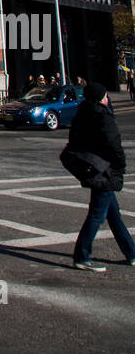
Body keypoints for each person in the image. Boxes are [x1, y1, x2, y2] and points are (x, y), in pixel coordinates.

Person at [68, 81, 135, 272]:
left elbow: (75, 141)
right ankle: (82, 255)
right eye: (105, 95)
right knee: (97, 214)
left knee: (113, 214)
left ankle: (131, 253)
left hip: (93, 168)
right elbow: (114, 144)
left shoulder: (82, 114)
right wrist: (120, 165)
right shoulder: (102, 116)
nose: (108, 98)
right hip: (104, 170)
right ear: (101, 97)